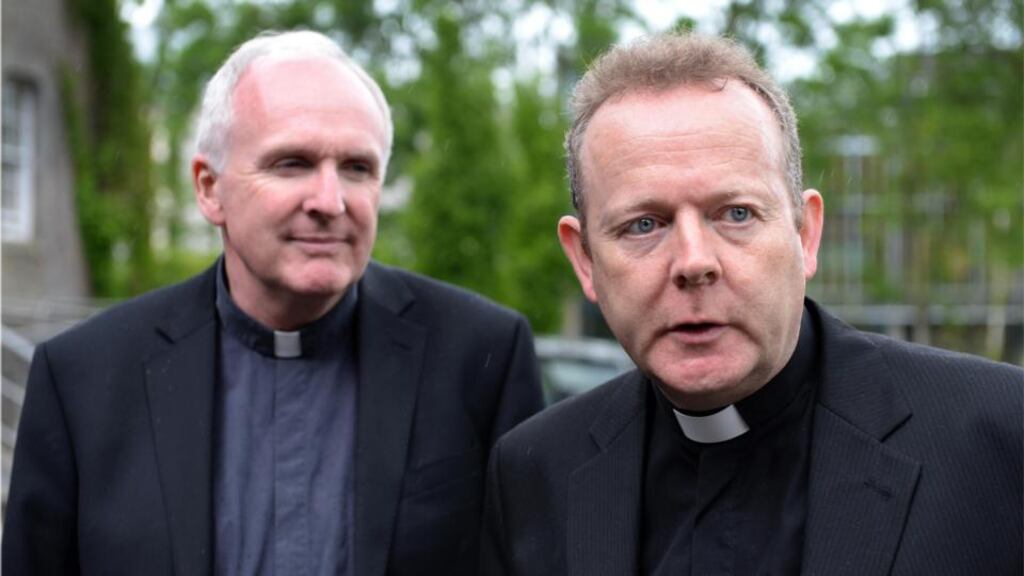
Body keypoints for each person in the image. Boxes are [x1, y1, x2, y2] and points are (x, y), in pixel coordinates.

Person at [480, 32, 1022, 576]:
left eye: (735, 213)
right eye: (644, 224)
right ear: (586, 261)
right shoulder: (535, 473)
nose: (694, 262)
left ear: (805, 234)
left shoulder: (998, 439)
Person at [4, 30, 543, 576]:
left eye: (357, 168)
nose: (330, 202)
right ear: (209, 189)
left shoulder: (480, 358)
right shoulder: (84, 379)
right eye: (292, 164)